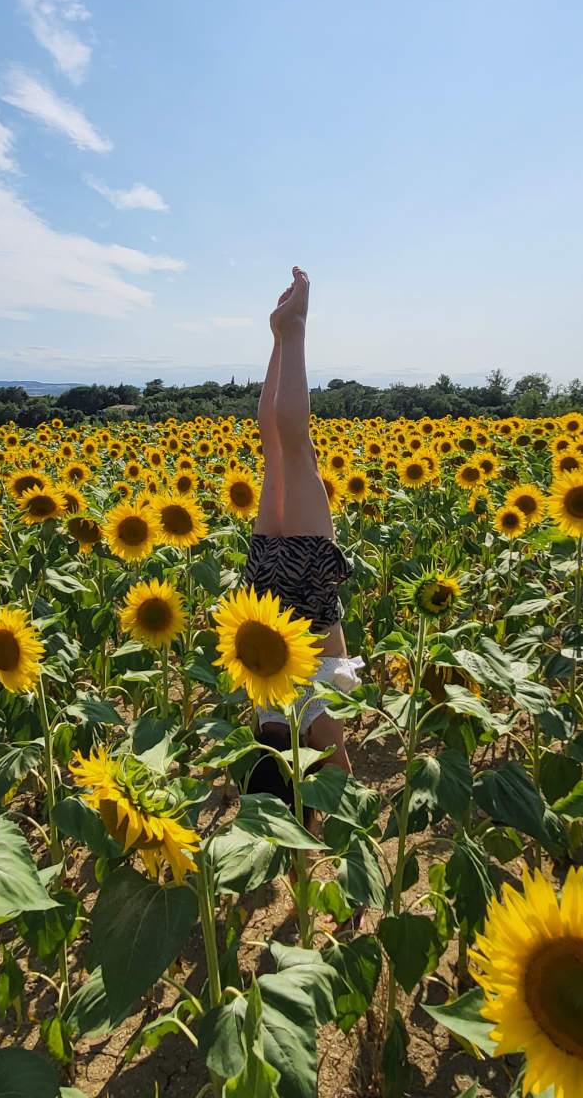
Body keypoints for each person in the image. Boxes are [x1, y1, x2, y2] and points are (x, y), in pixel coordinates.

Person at [243, 267, 361, 806]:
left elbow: (342, 785)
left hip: (309, 590)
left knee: (297, 447)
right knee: (276, 451)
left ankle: (293, 331)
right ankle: (280, 335)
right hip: (261, 595)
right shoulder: (261, 724)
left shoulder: (318, 732)